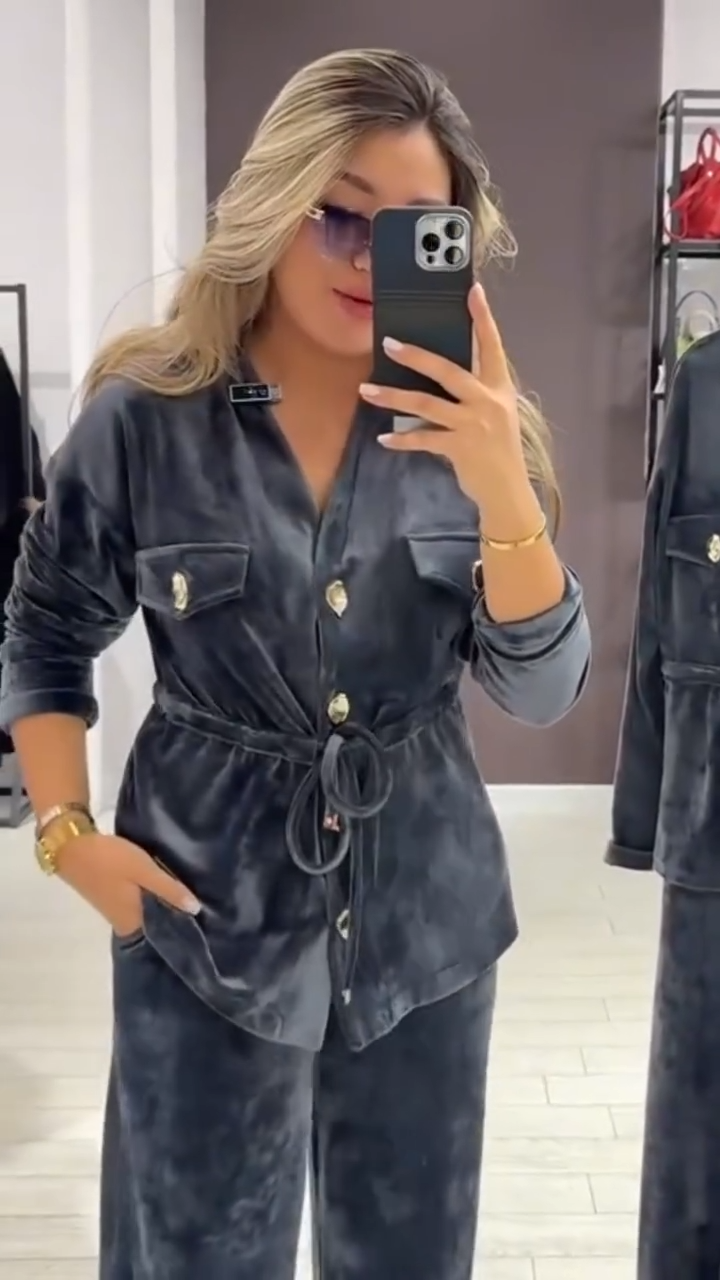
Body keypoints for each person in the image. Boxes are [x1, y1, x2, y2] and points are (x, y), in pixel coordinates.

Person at [0, 48, 590, 1280]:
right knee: (193, 1255)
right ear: (272, 203)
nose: (369, 260)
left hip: (426, 932)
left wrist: (501, 489)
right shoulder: (144, 420)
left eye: (414, 233)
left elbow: (540, 688)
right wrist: (67, 837)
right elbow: (47, 626)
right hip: (200, 928)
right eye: (338, 216)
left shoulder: (480, 432)